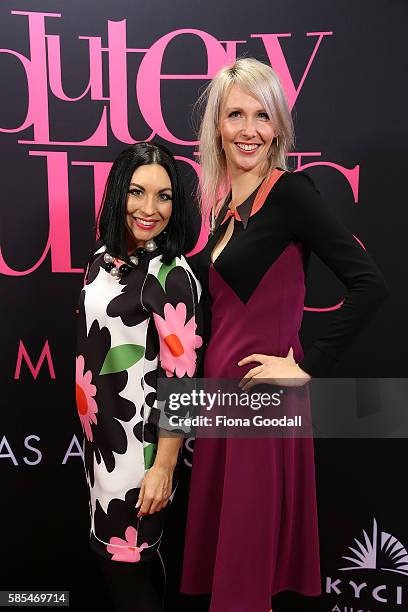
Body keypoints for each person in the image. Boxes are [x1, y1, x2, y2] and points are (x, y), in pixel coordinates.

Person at [180, 58, 389, 612]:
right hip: (220, 406)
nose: (249, 129)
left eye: (262, 116)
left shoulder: (292, 194)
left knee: (246, 582)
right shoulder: (225, 210)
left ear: (277, 128)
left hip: (261, 405)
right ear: (217, 128)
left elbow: (369, 284)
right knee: (230, 576)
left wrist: (305, 365)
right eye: (235, 115)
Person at [75, 142, 203, 612]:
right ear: (117, 195)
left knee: (128, 579)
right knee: (130, 575)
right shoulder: (101, 260)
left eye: (164, 196)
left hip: (139, 459)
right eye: (137, 192)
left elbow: (182, 383)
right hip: (100, 450)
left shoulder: (171, 276)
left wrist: (163, 468)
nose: (150, 209)